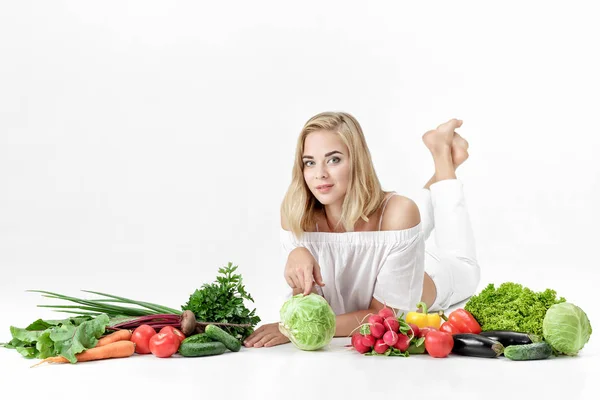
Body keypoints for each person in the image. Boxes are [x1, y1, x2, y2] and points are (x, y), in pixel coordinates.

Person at [244, 112, 480, 348]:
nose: (320, 174)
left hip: (432, 273)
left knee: (463, 263)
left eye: (333, 159)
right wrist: (296, 252)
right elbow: (308, 300)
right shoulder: (296, 213)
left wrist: (296, 329)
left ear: (357, 160)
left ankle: (444, 158)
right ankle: (445, 158)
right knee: (398, 215)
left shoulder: (399, 212)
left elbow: (383, 316)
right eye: (310, 162)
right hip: (394, 248)